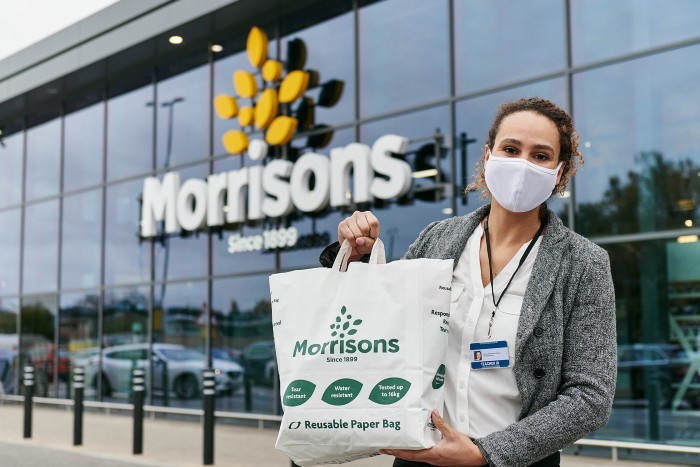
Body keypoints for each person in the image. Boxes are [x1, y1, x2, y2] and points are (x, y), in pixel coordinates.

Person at [320, 97, 617, 467]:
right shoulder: (437, 238)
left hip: (516, 463)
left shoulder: (583, 263)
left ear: (559, 173)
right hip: (422, 458)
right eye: (511, 149)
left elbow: (590, 396)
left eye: (540, 156)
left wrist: (486, 453)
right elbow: (381, 324)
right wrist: (357, 257)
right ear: (489, 156)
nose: (522, 164)